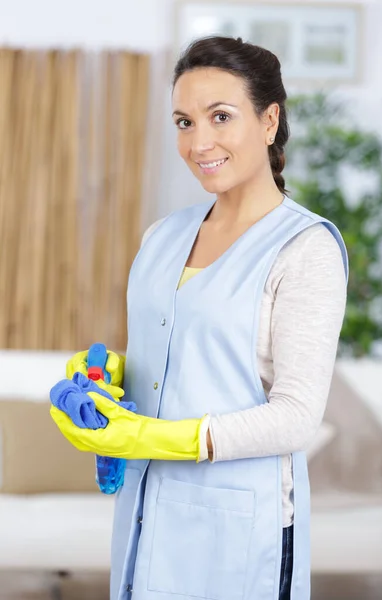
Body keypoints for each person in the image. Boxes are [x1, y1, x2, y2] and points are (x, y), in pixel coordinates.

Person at [50, 36, 348, 600]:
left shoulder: (305, 248)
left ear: (269, 120)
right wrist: (111, 374)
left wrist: (165, 437)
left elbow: (296, 417)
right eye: (185, 122)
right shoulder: (162, 237)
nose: (199, 141)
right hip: (144, 511)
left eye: (221, 117)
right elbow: (172, 357)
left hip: (240, 527)